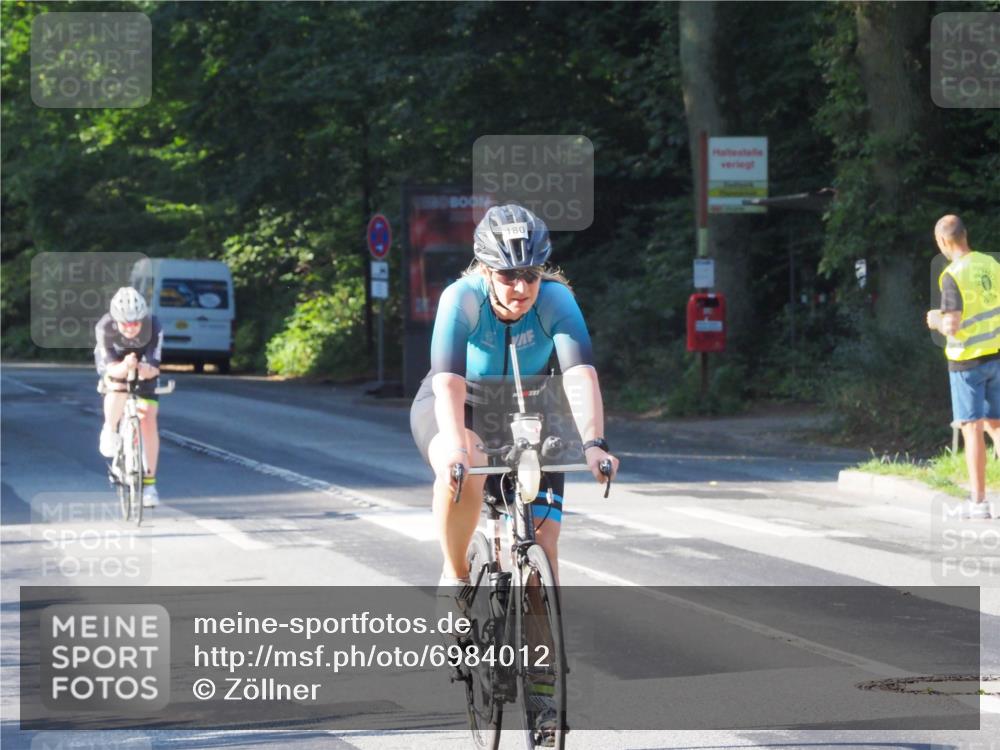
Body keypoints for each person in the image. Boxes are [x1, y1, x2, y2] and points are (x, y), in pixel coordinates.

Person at [409, 204, 619, 740]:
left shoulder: (556, 299)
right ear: (485, 270)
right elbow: (447, 382)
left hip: (530, 408)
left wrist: (594, 443)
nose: (521, 287)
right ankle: (456, 575)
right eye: (508, 275)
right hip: (460, 403)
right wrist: (456, 448)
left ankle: (544, 694)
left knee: (541, 552)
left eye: (531, 274)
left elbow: (580, 374)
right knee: (465, 460)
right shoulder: (461, 299)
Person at [926, 214, 1000, 520]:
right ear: (965, 235)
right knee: (997, 426)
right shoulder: (991, 264)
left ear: (943, 241)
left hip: (967, 363)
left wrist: (936, 320)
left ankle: (978, 503)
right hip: (996, 356)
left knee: (972, 430)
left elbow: (952, 325)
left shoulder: (952, 275)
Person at [95, 286, 164, 508]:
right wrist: (125, 366)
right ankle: (110, 429)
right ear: (116, 321)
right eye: (125, 324)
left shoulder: (154, 326)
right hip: (116, 362)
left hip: (143, 362)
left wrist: (143, 368)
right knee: (117, 386)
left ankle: (149, 485)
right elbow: (111, 369)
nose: (131, 328)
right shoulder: (105, 327)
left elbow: (154, 368)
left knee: (148, 416)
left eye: (136, 323)